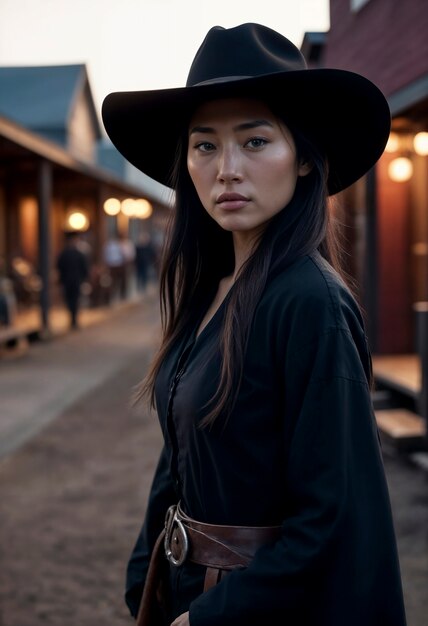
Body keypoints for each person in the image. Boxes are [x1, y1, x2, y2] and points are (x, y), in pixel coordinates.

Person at [102, 23, 407, 626]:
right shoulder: (209, 293)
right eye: (205, 145)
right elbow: (183, 453)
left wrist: (207, 618)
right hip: (190, 590)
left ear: (302, 161)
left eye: (256, 141)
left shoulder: (309, 302)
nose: (227, 170)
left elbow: (332, 517)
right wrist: (147, 576)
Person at [56, 231, 89, 329]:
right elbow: (60, 267)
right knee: (70, 299)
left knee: (74, 299)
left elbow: (84, 267)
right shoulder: (67, 253)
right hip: (71, 280)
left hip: (73, 280)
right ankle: (73, 318)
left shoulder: (75, 254)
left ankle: (74, 319)